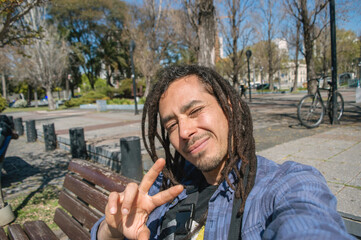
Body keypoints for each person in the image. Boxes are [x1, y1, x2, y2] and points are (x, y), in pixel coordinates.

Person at [91, 65, 354, 240]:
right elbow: (100, 231)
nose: (184, 131)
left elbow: (309, 225)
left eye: (195, 111)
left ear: (228, 107)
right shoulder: (167, 187)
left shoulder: (284, 185)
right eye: (171, 124)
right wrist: (112, 230)